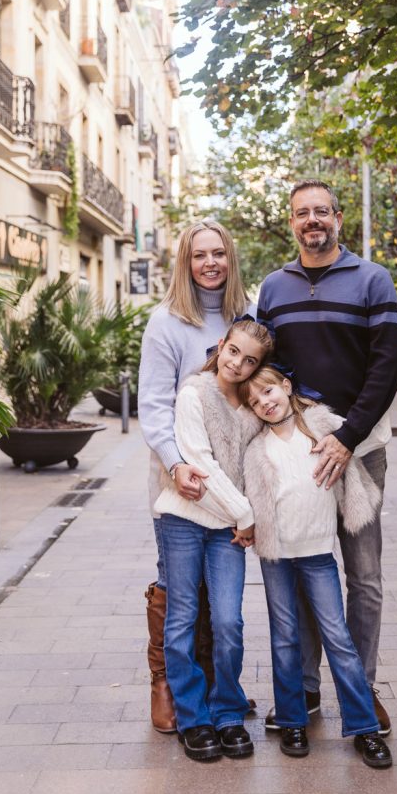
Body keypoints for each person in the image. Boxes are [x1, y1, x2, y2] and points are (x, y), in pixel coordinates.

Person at [257, 179, 397, 735]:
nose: (313, 220)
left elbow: (387, 365)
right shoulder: (273, 287)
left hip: (361, 452)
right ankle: (307, 690)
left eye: (322, 211)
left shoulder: (372, 279)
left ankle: (362, 690)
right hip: (303, 457)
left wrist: (347, 437)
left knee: (363, 576)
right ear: (291, 222)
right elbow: (265, 372)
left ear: (338, 218)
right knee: (305, 569)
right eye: (303, 213)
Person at [239, 365, 392, 768]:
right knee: (285, 636)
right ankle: (292, 720)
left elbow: (364, 436)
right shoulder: (255, 448)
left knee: (338, 638)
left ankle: (364, 728)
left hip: (318, 552)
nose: (265, 403)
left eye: (269, 391)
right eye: (255, 401)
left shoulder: (321, 424)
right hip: (277, 556)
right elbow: (247, 494)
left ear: (286, 387)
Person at [138, 220, 251, 733]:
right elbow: (154, 406)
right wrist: (176, 464)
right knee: (178, 589)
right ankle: (166, 683)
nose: (210, 263)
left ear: (231, 259)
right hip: (178, 478)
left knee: (224, 602)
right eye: (200, 254)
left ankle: (216, 691)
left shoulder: (244, 317)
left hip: (231, 486)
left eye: (219, 253)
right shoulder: (166, 322)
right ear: (185, 262)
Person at [156, 319, 274, 761]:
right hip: (185, 521)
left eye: (250, 361)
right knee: (182, 618)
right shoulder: (194, 393)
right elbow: (200, 464)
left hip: (227, 530)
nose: (238, 364)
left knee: (228, 621)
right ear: (221, 345)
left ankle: (227, 710)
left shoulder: (251, 408)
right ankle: (193, 717)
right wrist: (245, 515)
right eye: (234, 352)